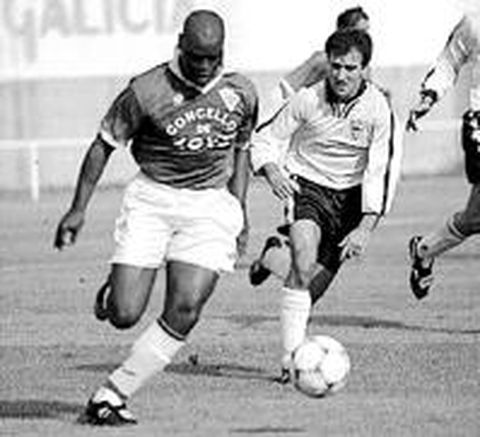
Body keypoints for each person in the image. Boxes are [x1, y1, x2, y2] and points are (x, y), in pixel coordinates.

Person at [53, 9, 258, 426]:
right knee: (125, 314)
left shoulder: (241, 92)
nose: (205, 66)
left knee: (186, 307)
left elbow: (242, 150)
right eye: (196, 56)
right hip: (152, 199)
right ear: (180, 45)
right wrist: (78, 209)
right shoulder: (146, 90)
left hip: (209, 206)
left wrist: (239, 208)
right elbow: (103, 145)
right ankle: (118, 287)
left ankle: (113, 393)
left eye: (213, 57)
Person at [250, 29, 402, 382]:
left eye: (350, 68)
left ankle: (272, 257)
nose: (341, 75)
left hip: (350, 201)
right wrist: (272, 169)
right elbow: (264, 137)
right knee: (303, 262)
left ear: (365, 69)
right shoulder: (307, 99)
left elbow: (382, 172)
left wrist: (365, 227)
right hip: (308, 187)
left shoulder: (380, 110)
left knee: (309, 291)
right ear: (328, 64)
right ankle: (291, 361)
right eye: (336, 66)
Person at [249, 6, 372, 287]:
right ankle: (278, 258)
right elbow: (284, 89)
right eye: (360, 30)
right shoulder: (321, 61)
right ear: (344, 31)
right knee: (306, 259)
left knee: (314, 273)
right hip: (305, 160)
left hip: (340, 172)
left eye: (367, 30)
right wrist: (268, 130)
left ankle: (273, 256)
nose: (366, 35)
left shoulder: (361, 65)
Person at [406, 11, 480, 300]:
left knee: (474, 218)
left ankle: (425, 248)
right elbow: (449, 61)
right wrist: (429, 96)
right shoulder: (474, 22)